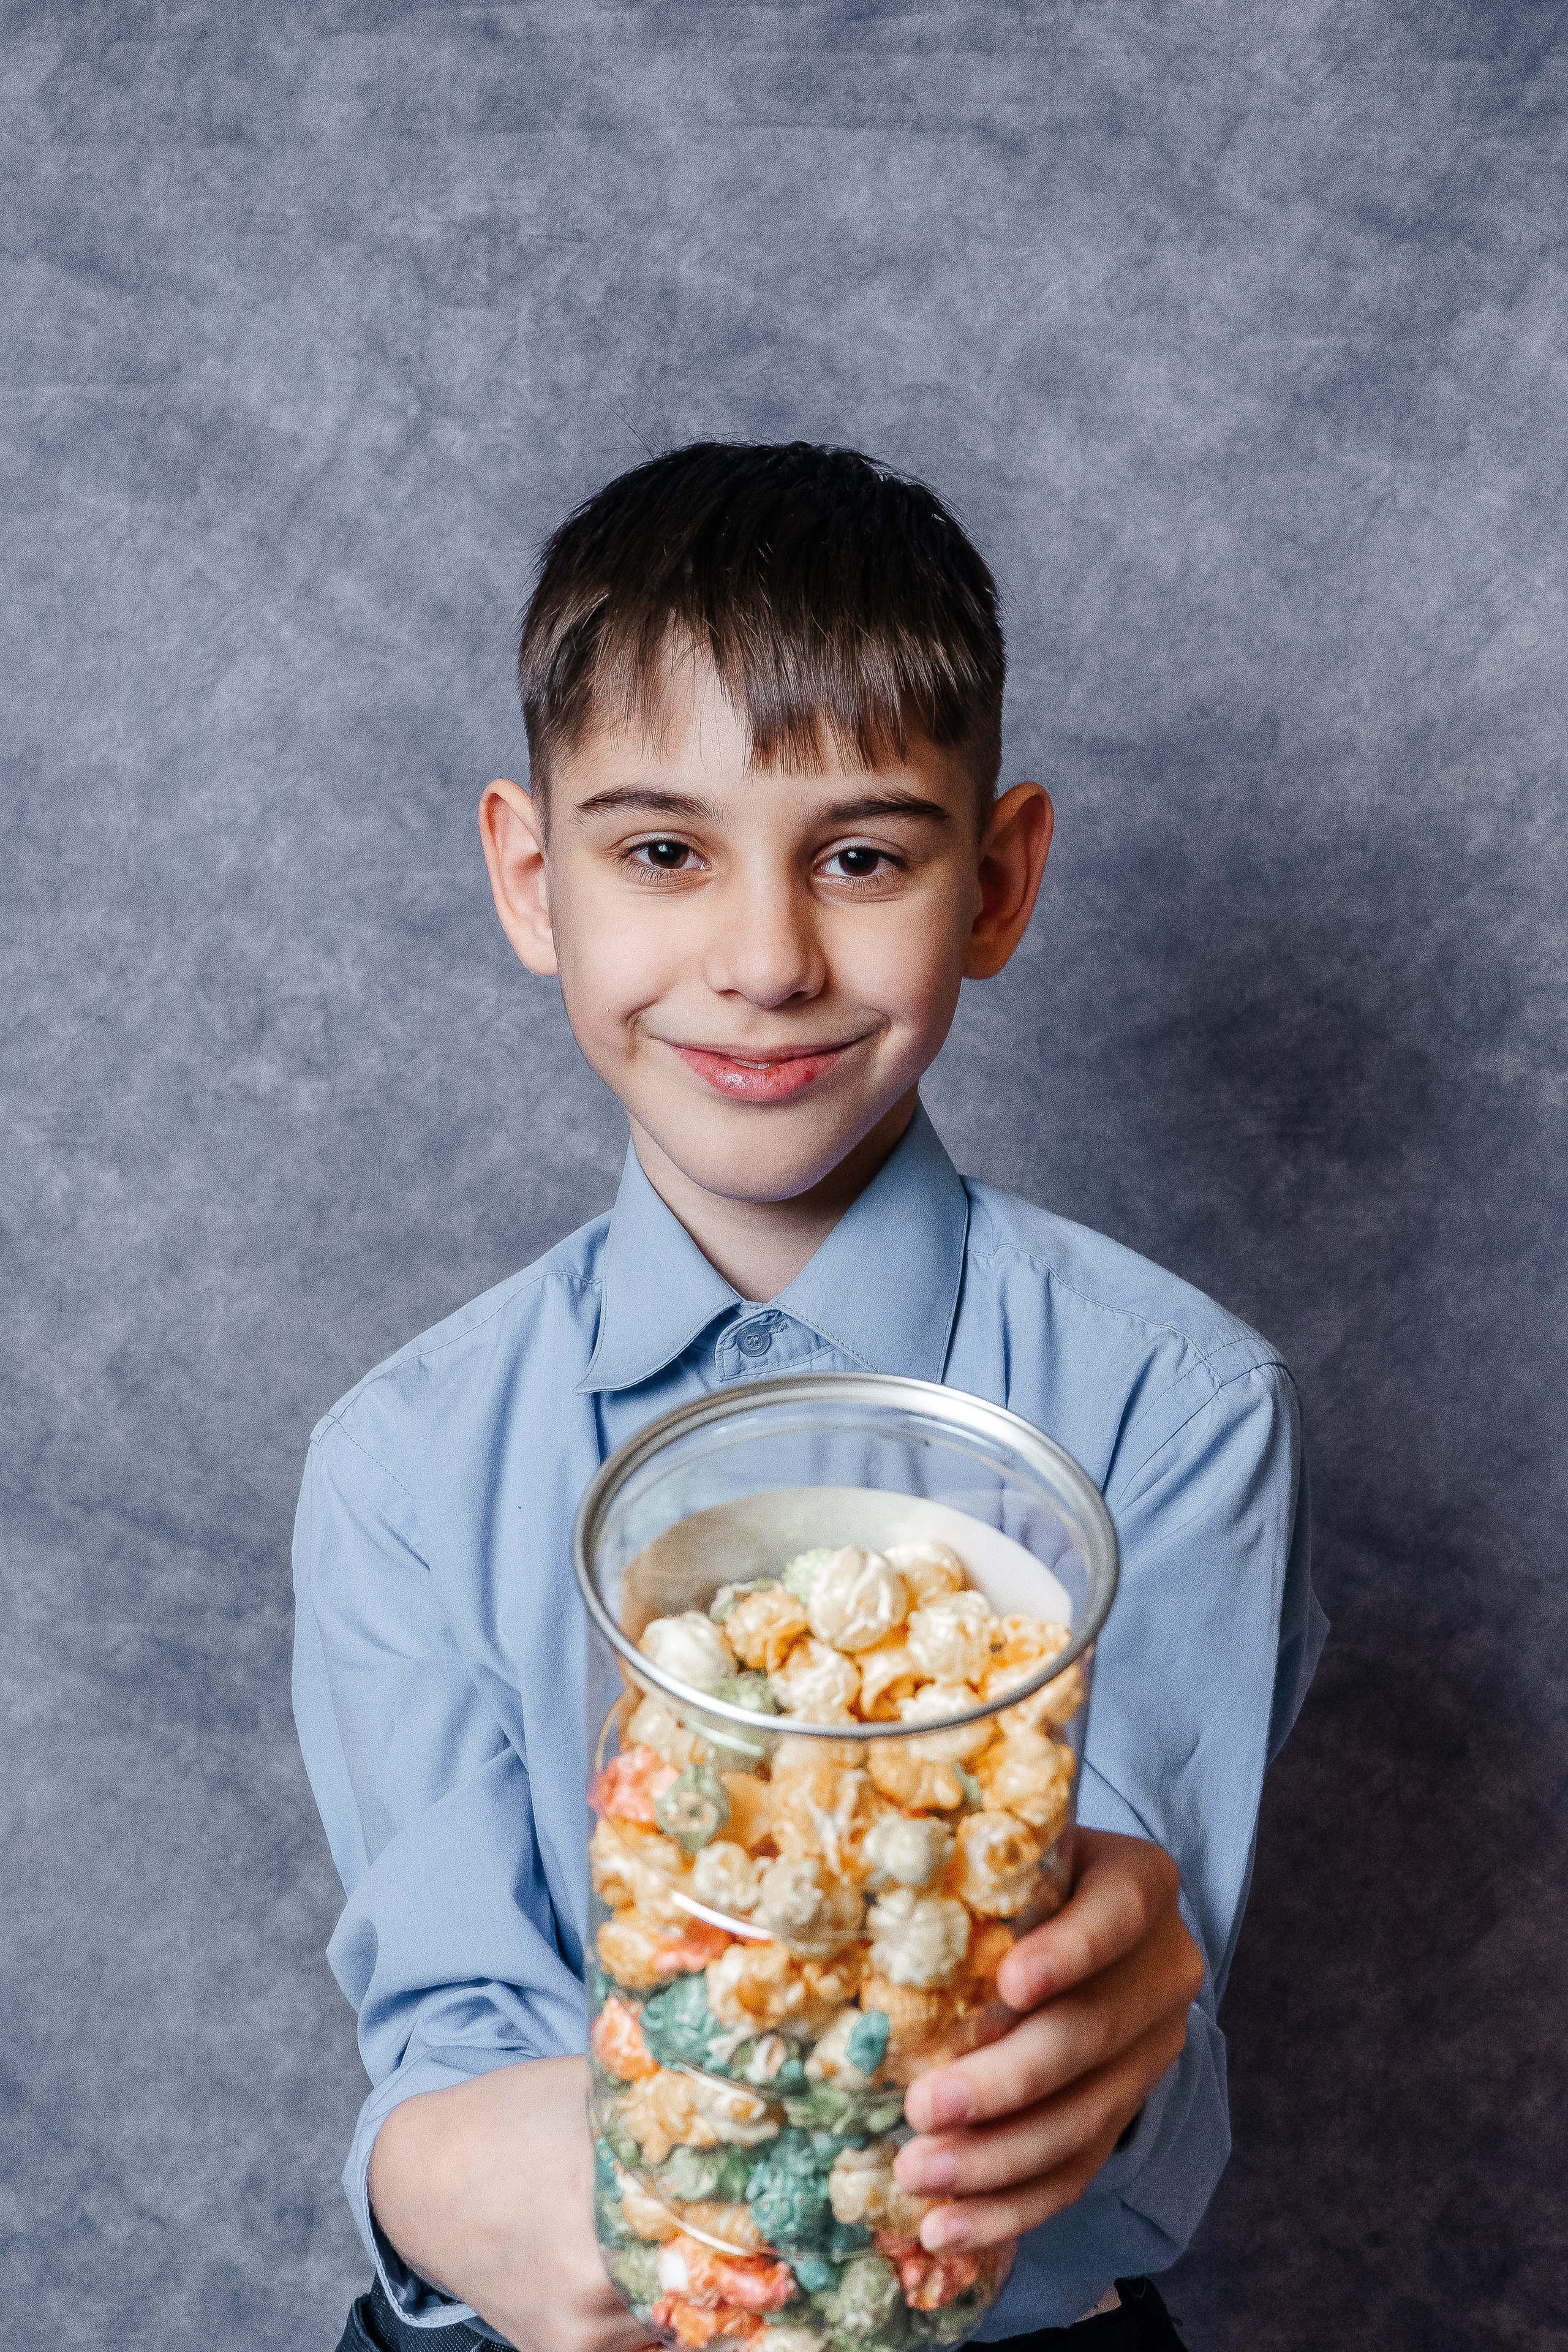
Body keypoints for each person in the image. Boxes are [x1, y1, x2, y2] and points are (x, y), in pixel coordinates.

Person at [293, 443, 1324, 2352]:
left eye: (859, 857)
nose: (765, 961)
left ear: (996, 881)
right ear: (535, 879)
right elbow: (452, 2044)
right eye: (664, 851)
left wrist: (1094, 2025)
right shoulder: (404, 1468)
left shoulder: (1173, 1410)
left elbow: (1127, 2075)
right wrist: (425, 2177)